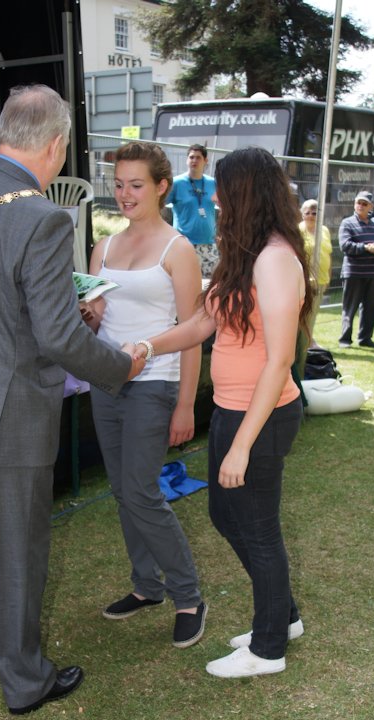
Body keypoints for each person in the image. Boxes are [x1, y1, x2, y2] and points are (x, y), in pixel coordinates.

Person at [0, 85, 145, 714]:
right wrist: (122, 364)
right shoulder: (42, 217)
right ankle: (24, 679)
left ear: (4, 131)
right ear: (57, 143)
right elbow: (58, 336)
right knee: (18, 552)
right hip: (7, 410)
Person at [133, 146, 313, 677]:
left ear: (244, 194)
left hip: (261, 417)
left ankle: (268, 649)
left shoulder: (276, 258)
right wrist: (146, 346)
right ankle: (284, 617)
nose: (214, 200)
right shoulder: (244, 254)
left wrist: (240, 445)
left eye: (222, 191)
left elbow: (280, 360)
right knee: (224, 514)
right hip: (233, 410)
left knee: (257, 528)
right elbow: (200, 325)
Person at [82, 141, 207, 649]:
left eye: (136, 185)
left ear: (161, 187)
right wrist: (89, 318)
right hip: (106, 381)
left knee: (141, 491)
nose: (125, 195)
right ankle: (145, 587)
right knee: (123, 490)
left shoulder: (179, 250)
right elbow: (93, 317)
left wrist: (185, 404)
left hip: (156, 384)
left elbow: (195, 330)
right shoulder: (104, 247)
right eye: (118, 185)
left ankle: (188, 595)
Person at [338, 190, 374, 349]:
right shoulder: (347, 223)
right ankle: (345, 339)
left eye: (364, 203)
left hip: (372, 272)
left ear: (370, 206)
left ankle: (365, 338)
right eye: (358, 202)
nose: (360, 205)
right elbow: (345, 246)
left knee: (371, 308)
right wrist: (367, 248)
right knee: (350, 307)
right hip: (353, 272)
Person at [166, 144, 218, 278]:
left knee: (209, 287)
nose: (194, 160)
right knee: (184, 283)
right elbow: (158, 206)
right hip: (184, 244)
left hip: (208, 244)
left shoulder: (213, 183)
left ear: (206, 161)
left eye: (198, 158)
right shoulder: (176, 183)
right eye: (191, 157)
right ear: (187, 160)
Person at [299, 199, 332, 348]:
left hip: (321, 280)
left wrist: (329, 276)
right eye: (308, 213)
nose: (311, 215)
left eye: (315, 212)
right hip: (306, 281)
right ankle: (304, 344)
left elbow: (328, 254)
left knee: (313, 315)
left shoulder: (324, 230)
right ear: (302, 214)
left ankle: (308, 341)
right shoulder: (298, 231)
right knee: (304, 315)